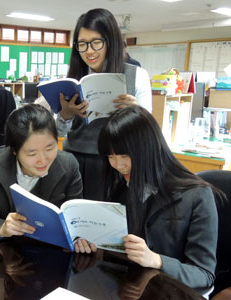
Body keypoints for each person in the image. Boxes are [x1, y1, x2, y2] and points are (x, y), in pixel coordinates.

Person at [76, 105, 217, 290]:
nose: (118, 165)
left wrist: (156, 260)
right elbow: (114, 252)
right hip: (128, 287)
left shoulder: (197, 196)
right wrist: (92, 244)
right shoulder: (121, 186)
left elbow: (204, 274)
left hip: (170, 292)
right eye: (111, 156)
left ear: (149, 149)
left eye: (125, 155)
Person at [57, 8, 152, 200]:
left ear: (111, 41)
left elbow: (148, 132)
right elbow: (58, 132)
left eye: (96, 43)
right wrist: (65, 115)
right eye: (82, 44)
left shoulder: (136, 76)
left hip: (114, 163)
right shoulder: (72, 79)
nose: (89, 51)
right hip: (74, 160)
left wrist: (135, 112)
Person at [0, 104, 82, 239]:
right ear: (14, 151)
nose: (43, 160)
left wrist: (80, 238)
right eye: (32, 154)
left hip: (47, 248)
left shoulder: (69, 165)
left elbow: (76, 220)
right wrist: (1, 227)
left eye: (49, 148)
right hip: (0, 250)